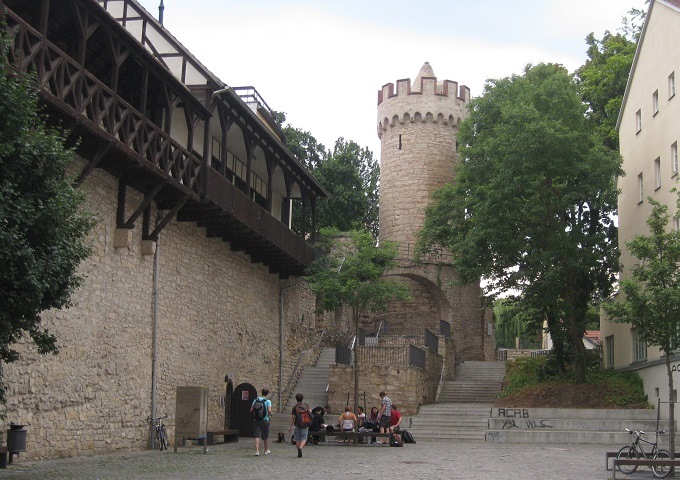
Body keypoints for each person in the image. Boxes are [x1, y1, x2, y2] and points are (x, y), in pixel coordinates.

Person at [250, 388, 272, 456]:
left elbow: (251, 410)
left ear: (261, 392)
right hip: (265, 420)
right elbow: (269, 410)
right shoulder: (268, 401)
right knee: (265, 436)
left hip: (257, 420)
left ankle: (257, 451)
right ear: (267, 393)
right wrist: (269, 416)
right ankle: (265, 450)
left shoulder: (255, 400)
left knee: (257, 435)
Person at [289, 392, 310, 457]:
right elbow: (309, 413)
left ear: (296, 399)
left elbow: (293, 418)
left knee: (297, 439)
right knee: (304, 437)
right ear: (302, 398)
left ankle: (298, 449)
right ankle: (301, 448)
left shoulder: (294, 407)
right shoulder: (305, 405)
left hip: (297, 424)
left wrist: (290, 427)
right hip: (305, 424)